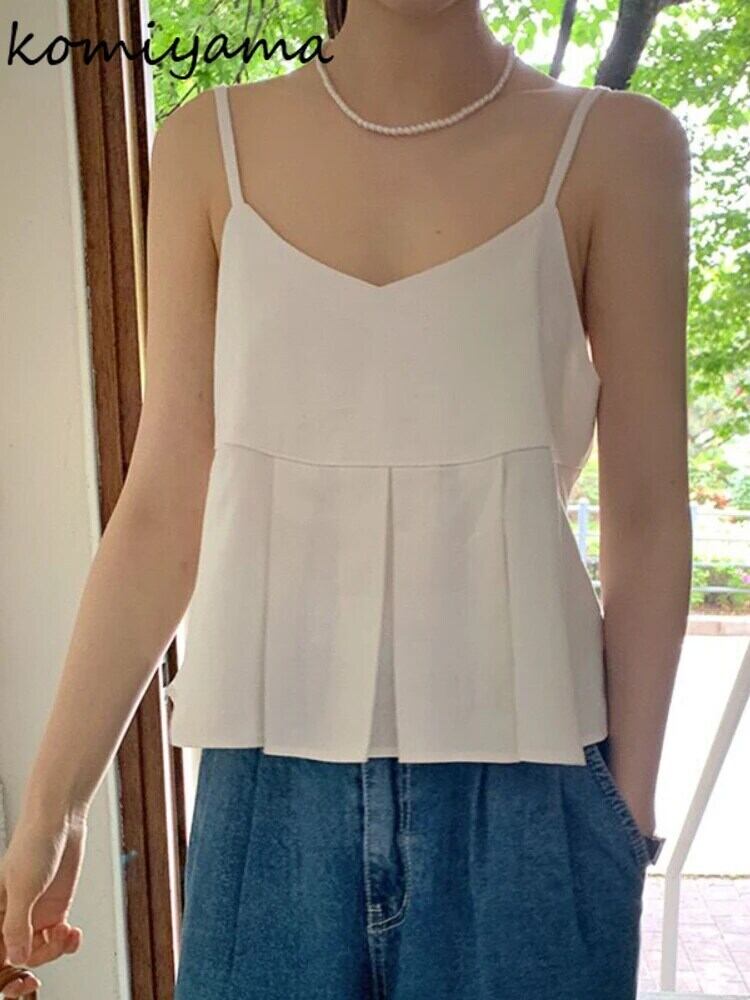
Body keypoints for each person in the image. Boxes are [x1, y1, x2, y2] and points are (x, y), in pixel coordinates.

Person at [0, 0, 692, 996]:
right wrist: (56, 803)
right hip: (264, 798)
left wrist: (624, 817)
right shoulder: (205, 148)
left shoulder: (620, 148)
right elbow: (164, 505)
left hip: (534, 798)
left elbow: (648, 512)